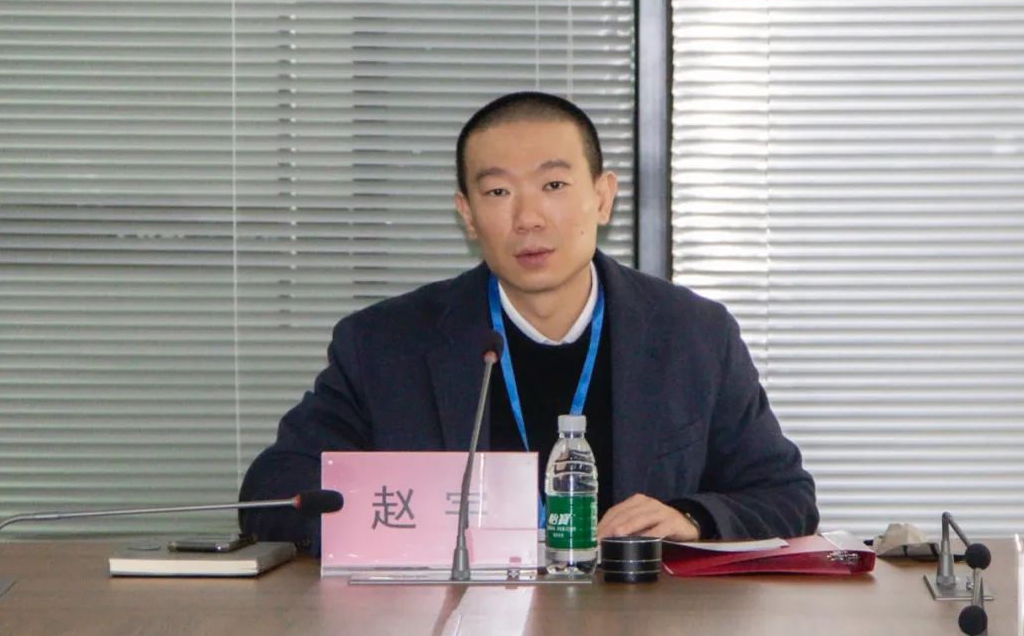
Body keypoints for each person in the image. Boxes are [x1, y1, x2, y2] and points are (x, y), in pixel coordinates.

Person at [239, 91, 819, 554]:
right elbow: (275, 492)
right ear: (467, 214)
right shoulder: (386, 343)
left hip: (640, 624)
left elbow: (785, 496)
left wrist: (691, 517)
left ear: (603, 197)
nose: (528, 217)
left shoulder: (694, 334)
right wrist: (414, 532)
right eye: (498, 191)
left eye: (554, 185)